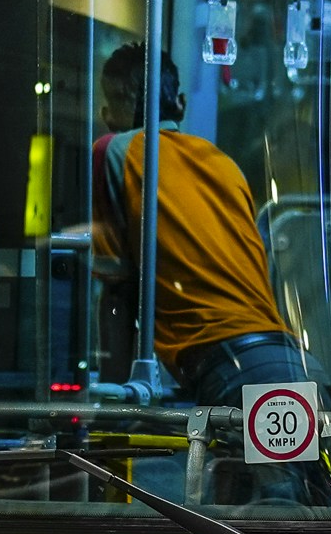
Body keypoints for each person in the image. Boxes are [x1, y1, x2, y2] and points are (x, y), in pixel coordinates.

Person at [92, 41, 308, 411]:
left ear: (113, 108)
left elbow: (118, 287)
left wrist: (114, 409)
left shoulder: (113, 150)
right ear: (180, 104)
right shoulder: (223, 163)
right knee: (293, 467)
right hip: (286, 357)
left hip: (224, 364)